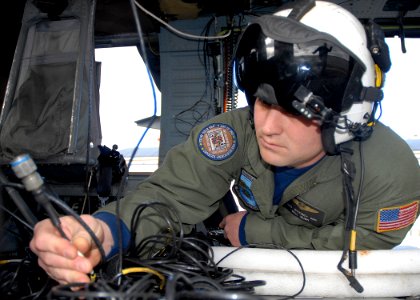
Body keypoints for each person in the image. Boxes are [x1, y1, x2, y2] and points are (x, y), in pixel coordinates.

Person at [30, 1, 420, 285]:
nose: (266, 126)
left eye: (292, 111)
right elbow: (167, 199)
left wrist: (255, 231)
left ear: (346, 114)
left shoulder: (391, 169)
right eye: (263, 102)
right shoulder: (232, 133)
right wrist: (105, 231)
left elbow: (368, 243)